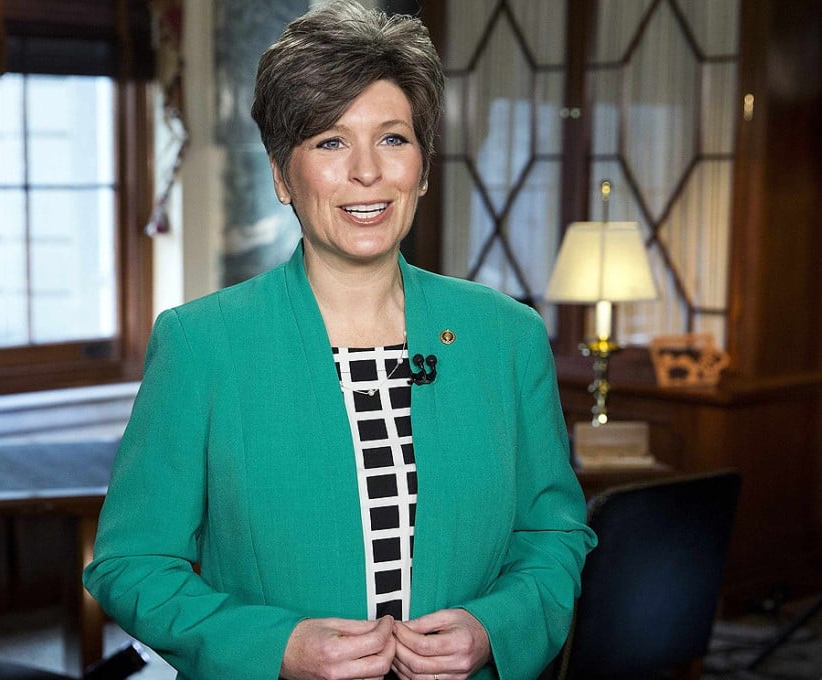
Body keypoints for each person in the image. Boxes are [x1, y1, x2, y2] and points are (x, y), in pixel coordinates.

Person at [83, 2, 596, 679]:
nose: (367, 172)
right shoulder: (202, 344)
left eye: (392, 138)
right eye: (329, 141)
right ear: (281, 174)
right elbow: (131, 563)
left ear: (422, 163)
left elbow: (553, 534)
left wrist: (493, 628)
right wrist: (276, 647)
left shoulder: (506, 338)